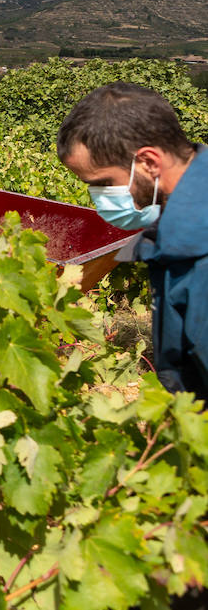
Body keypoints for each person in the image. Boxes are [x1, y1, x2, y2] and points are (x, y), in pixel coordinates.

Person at [57, 82, 208, 400]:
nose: (99, 199)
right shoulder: (176, 230)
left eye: (103, 183)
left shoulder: (200, 256)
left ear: (150, 163)